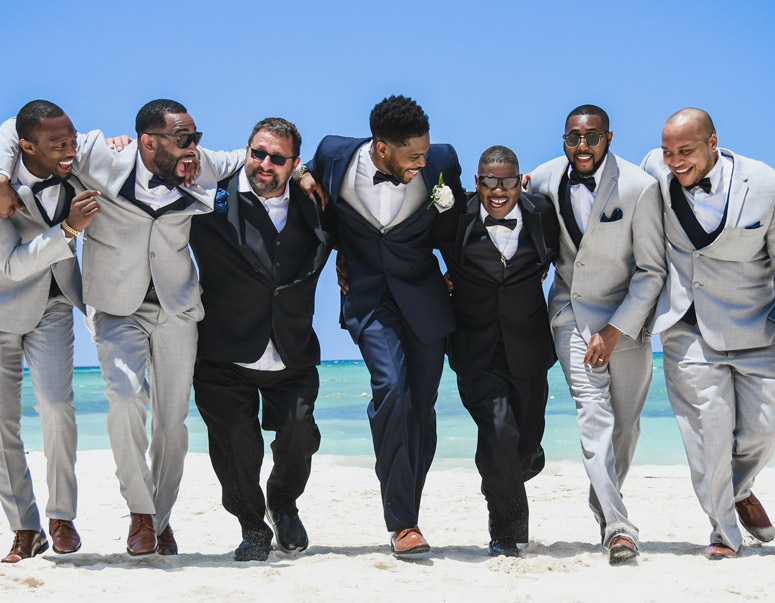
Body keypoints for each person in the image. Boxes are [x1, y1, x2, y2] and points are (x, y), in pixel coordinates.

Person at [0, 99, 244, 556]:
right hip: (116, 308)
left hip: (177, 306)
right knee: (124, 398)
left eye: (195, 137)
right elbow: (17, 127)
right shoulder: (99, 156)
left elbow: (250, 155)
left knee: (172, 422)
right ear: (148, 141)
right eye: (183, 139)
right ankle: (139, 513)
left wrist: (299, 173)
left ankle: (161, 519)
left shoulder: (198, 163)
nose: (193, 148)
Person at [641, 108, 775, 560]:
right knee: (707, 432)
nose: (675, 162)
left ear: (713, 142)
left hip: (756, 325)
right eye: (668, 152)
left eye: (686, 151)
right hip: (686, 325)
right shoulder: (651, 171)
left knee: (763, 430)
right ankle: (723, 532)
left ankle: (739, 490)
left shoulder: (769, 186)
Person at [298, 95, 466, 555]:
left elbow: (458, 221)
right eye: (412, 156)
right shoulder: (335, 153)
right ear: (380, 148)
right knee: (391, 388)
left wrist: (460, 275)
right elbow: (301, 168)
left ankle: (409, 509)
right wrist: (301, 175)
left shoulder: (443, 162)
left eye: (425, 153)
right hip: (368, 299)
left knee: (422, 408)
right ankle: (403, 523)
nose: (422, 162)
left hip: (427, 299)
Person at [524, 104, 665, 565]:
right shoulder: (544, 178)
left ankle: (602, 499)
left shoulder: (640, 188)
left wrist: (616, 329)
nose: (581, 147)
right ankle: (619, 527)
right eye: (572, 138)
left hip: (625, 318)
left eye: (590, 137)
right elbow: (505, 198)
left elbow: (650, 271)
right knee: (594, 416)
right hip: (570, 313)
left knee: (626, 426)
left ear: (608, 137)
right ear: (563, 139)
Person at [0, 99, 100, 562]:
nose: (69, 151)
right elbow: (12, 263)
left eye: (72, 140)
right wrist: (67, 231)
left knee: (58, 407)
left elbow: (122, 155)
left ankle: (62, 517)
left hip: (55, 303)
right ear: (26, 147)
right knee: (1, 424)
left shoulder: (75, 162)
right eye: (58, 145)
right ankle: (26, 528)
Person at [189, 118, 331, 561]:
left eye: (277, 158)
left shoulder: (315, 204)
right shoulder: (210, 198)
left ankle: (283, 503)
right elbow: (156, 165)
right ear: (246, 150)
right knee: (234, 445)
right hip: (223, 350)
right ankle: (252, 524)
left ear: (294, 164)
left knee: (299, 433)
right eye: (257, 153)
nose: (264, 164)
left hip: (292, 348)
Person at [435, 146, 559, 557]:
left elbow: (567, 254)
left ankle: (512, 469)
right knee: (499, 432)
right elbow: (413, 250)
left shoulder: (543, 213)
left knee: (524, 446)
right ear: (477, 182)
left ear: (520, 181)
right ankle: (505, 530)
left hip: (529, 349)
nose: (499, 190)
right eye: (490, 181)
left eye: (507, 180)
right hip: (475, 351)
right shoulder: (455, 218)